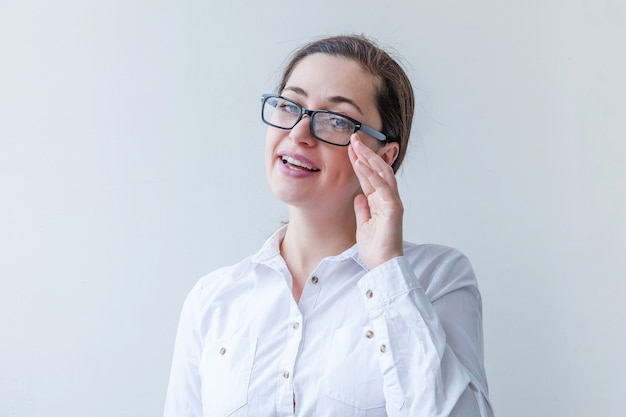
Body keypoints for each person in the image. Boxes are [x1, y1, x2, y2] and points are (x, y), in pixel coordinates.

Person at [164, 34, 494, 417]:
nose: (299, 134)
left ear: (383, 156)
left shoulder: (437, 279)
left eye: (337, 120)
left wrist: (387, 268)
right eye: (290, 105)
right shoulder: (213, 299)